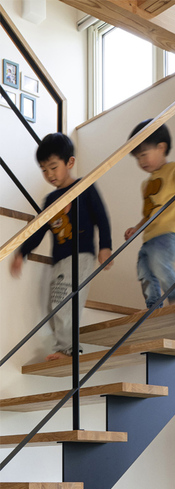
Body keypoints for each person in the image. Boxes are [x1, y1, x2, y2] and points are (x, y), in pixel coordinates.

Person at [10, 133, 113, 361]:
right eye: (44, 170)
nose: (49, 174)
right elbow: (38, 230)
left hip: (80, 256)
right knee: (53, 305)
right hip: (60, 259)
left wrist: (105, 246)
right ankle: (67, 346)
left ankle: (68, 350)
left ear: (70, 162)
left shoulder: (84, 188)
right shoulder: (50, 201)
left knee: (63, 302)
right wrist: (22, 253)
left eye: (53, 167)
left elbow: (101, 217)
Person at [124, 120, 175, 309]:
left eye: (144, 155)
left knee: (159, 262)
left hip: (171, 233)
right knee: (144, 270)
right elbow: (149, 214)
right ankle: (153, 307)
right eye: (137, 158)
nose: (141, 162)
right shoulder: (146, 184)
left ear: (161, 148)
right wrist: (137, 228)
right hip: (150, 237)